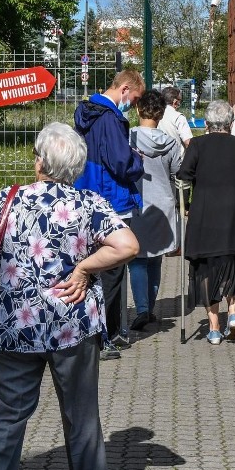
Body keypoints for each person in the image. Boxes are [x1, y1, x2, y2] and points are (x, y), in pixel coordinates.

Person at [0, 122, 139, 470]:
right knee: (82, 417)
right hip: (73, 325)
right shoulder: (89, 203)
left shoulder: (6, 199)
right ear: (75, 169)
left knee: (4, 417)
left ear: (40, 163)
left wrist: (1, 297)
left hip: (12, 325)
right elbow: (128, 246)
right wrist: (84, 268)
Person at [176, 100, 235, 345]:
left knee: (205, 267)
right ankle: (233, 312)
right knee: (231, 263)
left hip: (204, 215)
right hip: (234, 215)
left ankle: (214, 328)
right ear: (230, 123)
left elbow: (183, 177)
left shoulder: (198, 145)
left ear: (206, 124)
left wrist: (183, 204)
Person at [74, 70, 145, 359]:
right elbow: (120, 162)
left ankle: (89, 331)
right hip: (112, 199)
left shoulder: (86, 111)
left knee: (88, 269)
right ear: (125, 89)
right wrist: (136, 159)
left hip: (86, 195)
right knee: (113, 271)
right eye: (135, 98)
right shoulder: (111, 118)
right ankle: (109, 334)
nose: (134, 104)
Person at [126, 90, 182, 331]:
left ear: (138, 110)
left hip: (137, 203)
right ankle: (149, 308)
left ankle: (140, 309)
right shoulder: (170, 142)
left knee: (137, 259)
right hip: (163, 203)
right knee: (156, 259)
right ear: (161, 114)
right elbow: (177, 170)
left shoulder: (128, 139)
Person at [158, 87, 194, 214]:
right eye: (180, 100)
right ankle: (182, 210)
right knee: (181, 191)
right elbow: (188, 141)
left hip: (159, 161)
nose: (179, 103)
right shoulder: (178, 117)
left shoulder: (157, 114)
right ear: (174, 101)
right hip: (177, 161)